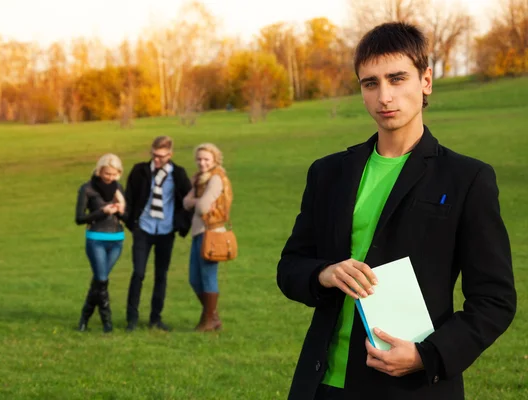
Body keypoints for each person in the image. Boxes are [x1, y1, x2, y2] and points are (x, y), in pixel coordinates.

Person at [276, 22, 516, 400]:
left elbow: (495, 301)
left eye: (397, 78)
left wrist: (428, 355)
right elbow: (290, 267)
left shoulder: (468, 178)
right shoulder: (328, 172)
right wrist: (324, 273)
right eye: (370, 83)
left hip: (411, 387)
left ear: (426, 81)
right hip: (321, 384)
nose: (384, 96)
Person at [123, 136, 193, 332]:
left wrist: (179, 225)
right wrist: (133, 224)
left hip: (165, 231)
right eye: (154, 155)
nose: (156, 160)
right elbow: (129, 197)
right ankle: (132, 319)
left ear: (170, 155)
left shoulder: (178, 174)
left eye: (161, 157)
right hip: (143, 228)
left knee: (161, 275)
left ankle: (156, 318)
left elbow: (188, 201)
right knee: (138, 273)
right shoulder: (140, 171)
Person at [183, 143, 233, 332]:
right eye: (199, 159)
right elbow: (186, 202)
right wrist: (197, 202)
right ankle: (212, 316)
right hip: (198, 232)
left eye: (206, 159)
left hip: (212, 233)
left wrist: (195, 202)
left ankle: (209, 320)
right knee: (194, 279)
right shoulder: (198, 178)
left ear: (215, 160)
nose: (202, 163)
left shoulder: (216, 178)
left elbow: (202, 207)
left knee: (207, 277)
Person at [75, 153, 126, 333]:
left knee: (99, 281)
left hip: (116, 240)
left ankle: (84, 319)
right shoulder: (87, 189)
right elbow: (79, 218)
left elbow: (126, 218)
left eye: (114, 175)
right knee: (102, 279)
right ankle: (107, 323)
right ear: (99, 171)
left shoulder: (118, 188)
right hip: (96, 239)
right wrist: (102, 212)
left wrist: (120, 209)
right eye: (107, 174)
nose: (110, 178)